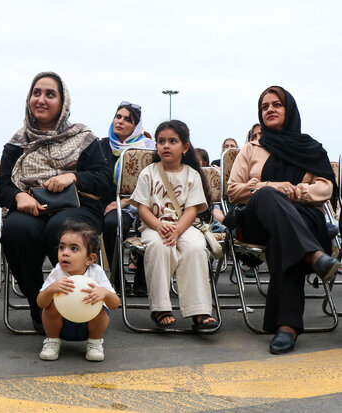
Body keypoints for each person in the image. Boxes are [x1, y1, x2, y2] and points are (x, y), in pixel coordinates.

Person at [228, 86, 339, 354]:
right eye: (264, 107)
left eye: (276, 104)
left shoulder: (311, 148)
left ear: (289, 110)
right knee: (266, 195)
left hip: (300, 218)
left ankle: (286, 327)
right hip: (256, 222)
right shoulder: (251, 149)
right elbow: (233, 190)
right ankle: (314, 256)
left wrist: (298, 192)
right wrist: (271, 187)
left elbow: (326, 188)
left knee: (284, 238)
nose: (270, 110)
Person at [0, 72, 110, 332]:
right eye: (36, 93)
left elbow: (103, 180)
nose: (41, 99)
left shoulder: (83, 138)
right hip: (32, 209)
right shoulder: (16, 143)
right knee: (15, 231)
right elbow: (1, 186)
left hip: (78, 209)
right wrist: (18, 196)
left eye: (50, 94)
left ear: (63, 102)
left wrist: (73, 177)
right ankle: (43, 308)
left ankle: (79, 308)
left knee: (63, 229)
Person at [130, 120, 218, 330]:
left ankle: (199, 310)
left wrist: (178, 230)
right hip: (154, 226)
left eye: (172, 141)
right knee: (159, 247)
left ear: (185, 147)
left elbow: (192, 210)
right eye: (161, 141)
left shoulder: (192, 175)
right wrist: (159, 226)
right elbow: (143, 208)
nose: (166, 145)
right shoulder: (148, 173)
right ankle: (160, 307)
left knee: (196, 248)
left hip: (185, 226)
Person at [37, 221, 120, 361]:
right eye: (61, 247)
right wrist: (51, 289)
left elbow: (115, 304)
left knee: (101, 310)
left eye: (73, 249)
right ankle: (52, 341)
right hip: (62, 324)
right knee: (50, 307)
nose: (65, 253)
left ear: (90, 259)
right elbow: (40, 302)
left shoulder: (96, 272)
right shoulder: (58, 271)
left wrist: (105, 293)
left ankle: (95, 343)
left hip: (88, 325)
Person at [99, 101, 154, 296]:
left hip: (139, 203)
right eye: (118, 117)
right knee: (113, 222)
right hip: (108, 205)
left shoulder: (147, 149)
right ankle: (117, 281)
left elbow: (152, 184)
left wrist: (125, 201)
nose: (120, 121)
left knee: (151, 225)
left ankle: (142, 281)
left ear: (136, 126)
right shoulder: (102, 146)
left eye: (127, 119)